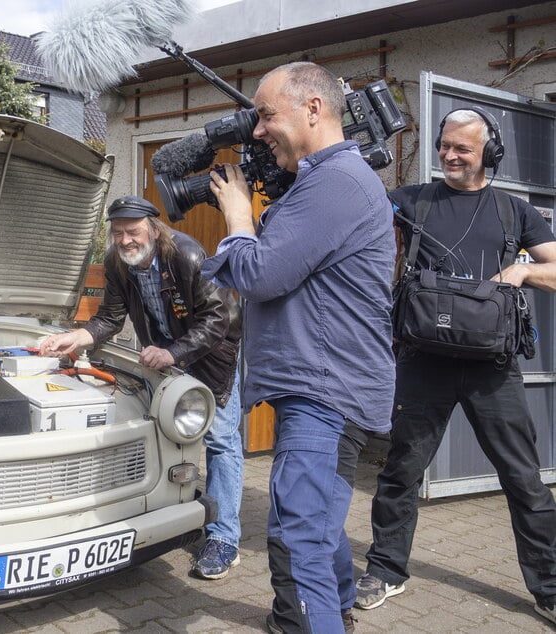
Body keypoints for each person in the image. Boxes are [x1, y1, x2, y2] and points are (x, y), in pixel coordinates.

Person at [201, 61, 395, 633]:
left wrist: (239, 216)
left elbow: (259, 274)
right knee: (318, 526)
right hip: (322, 387)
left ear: (313, 109)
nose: (257, 130)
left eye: (266, 115)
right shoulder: (326, 182)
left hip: (323, 391)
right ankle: (335, 616)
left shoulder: (335, 182)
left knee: (300, 534)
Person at [355, 108, 556, 626]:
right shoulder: (412, 199)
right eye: (444, 145)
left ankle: (549, 589)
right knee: (401, 471)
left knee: (524, 480)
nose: (448, 155)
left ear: (488, 152)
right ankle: (387, 570)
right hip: (424, 362)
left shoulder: (516, 212)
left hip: (494, 367)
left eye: (461, 148)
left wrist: (522, 271)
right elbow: (351, 211)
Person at [38, 195, 244, 580]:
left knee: (220, 439)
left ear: (153, 228)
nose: (125, 240)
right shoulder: (118, 261)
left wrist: (173, 353)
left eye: (132, 231)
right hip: (165, 353)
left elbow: (217, 319)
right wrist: (79, 336)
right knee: (164, 433)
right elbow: (110, 317)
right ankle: (167, 510)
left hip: (213, 352)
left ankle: (224, 538)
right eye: (117, 232)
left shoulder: (187, 254)